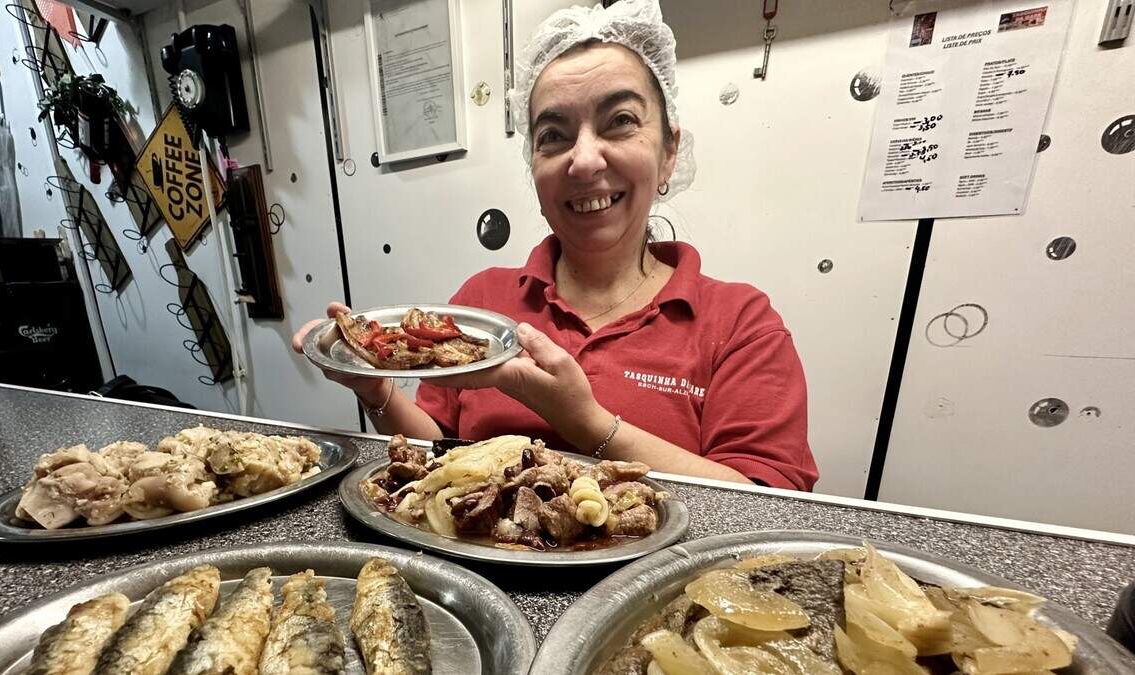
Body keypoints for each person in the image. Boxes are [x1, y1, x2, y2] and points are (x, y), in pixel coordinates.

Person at [293, 0, 818, 490]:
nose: (584, 160)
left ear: (668, 153)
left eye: (620, 122)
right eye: (554, 135)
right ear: (534, 167)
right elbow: (438, 455)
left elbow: (765, 508)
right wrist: (376, 390)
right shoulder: (484, 303)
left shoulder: (739, 324)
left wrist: (585, 422)